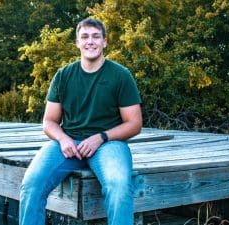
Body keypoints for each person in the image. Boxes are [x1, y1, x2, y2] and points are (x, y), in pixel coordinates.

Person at [19, 18, 142, 225]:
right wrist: (63, 140)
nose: (90, 41)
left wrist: (101, 137)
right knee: (31, 184)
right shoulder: (63, 76)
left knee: (119, 185)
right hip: (69, 144)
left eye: (96, 36)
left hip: (108, 144)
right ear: (77, 43)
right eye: (84, 36)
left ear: (105, 42)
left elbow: (134, 123)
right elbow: (49, 121)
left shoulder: (121, 75)